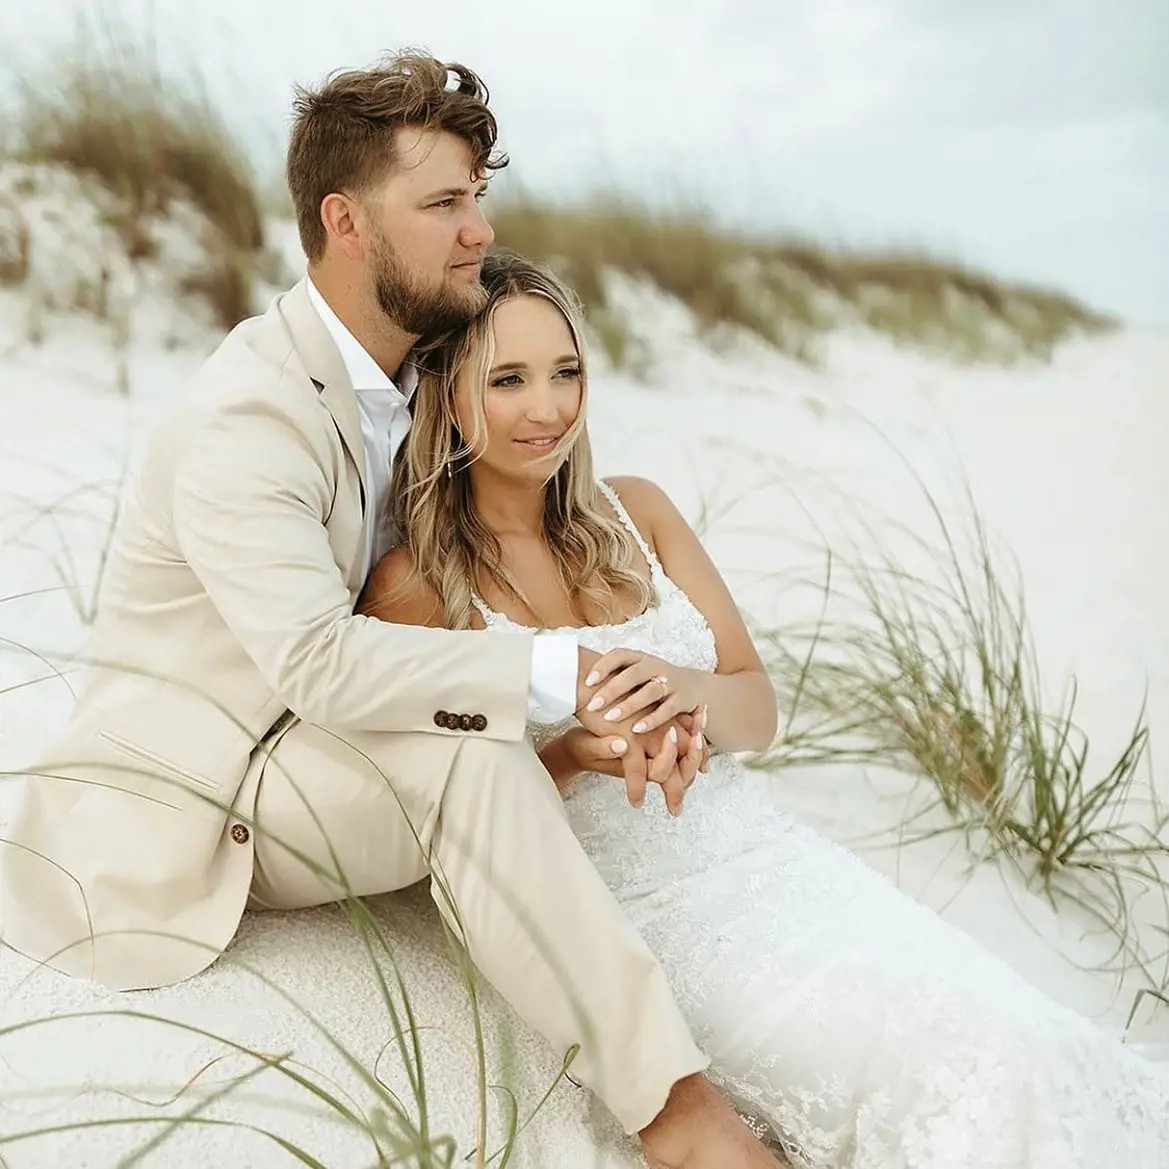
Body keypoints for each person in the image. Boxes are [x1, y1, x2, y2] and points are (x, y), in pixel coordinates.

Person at [0, 53, 782, 1168]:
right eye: (444, 204)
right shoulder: (248, 415)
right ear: (346, 222)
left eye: (479, 198)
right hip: (216, 786)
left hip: (340, 741)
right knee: (473, 759)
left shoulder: (425, 370)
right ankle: (678, 1116)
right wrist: (571, 683)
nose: (478, 230)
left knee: (489, 744)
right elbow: (318, 664)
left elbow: (525, 500)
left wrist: (637, 699)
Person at [361, 250, 1169, 1169]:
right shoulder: (417, 590)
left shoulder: (635, 513)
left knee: (1017, 1029)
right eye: (507, 379)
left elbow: (756, 704)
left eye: (566, 372)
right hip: (646, 924)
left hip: (780, 865)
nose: (548, 409)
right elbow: (439, 826)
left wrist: (688, 692)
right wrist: (578, 753)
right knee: (951, 1065)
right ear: (447, 395)